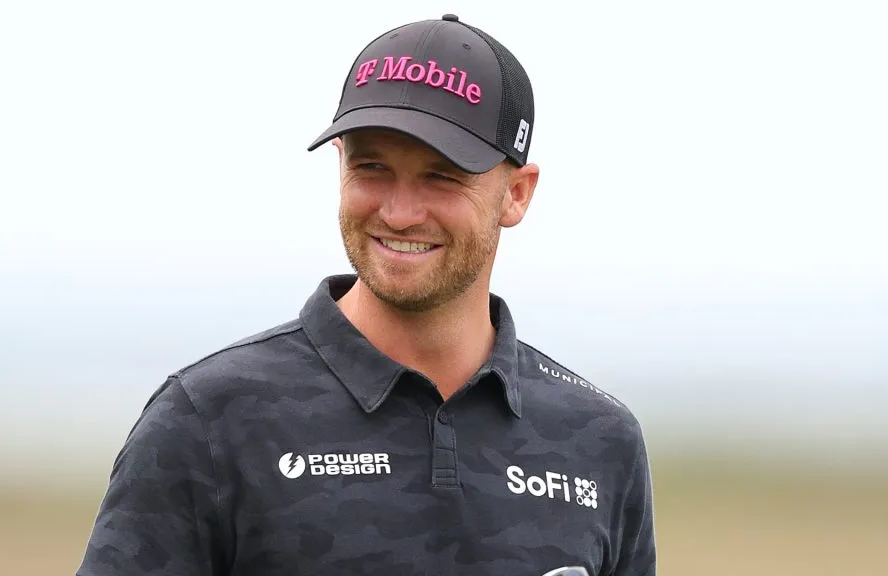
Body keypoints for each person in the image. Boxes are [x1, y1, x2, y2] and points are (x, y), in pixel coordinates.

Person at [76, 13, 656, 576]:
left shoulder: (601, 441)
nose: (399, 213)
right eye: (372, 167)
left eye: (442, 175)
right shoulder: (209, 420)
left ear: (517, 194)